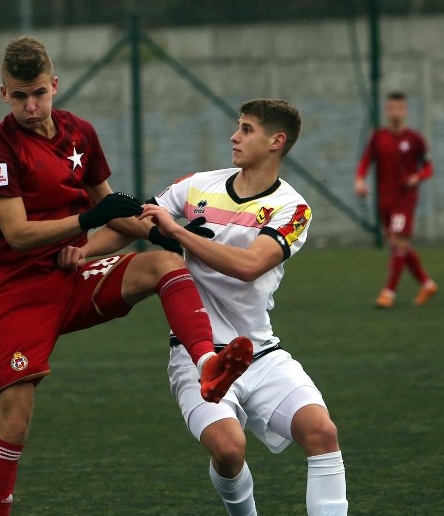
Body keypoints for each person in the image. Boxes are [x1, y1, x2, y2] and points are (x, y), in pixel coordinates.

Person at [0, 35, 254, 515]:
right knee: (12, 426)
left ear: (55, 85)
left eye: (38, 92)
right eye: (19, 95)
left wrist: (169, 234)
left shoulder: (79, 133)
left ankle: (207, 364)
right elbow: (18, 234)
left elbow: (116, 213)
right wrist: (85, 222)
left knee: (164, 265)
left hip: (74, 278)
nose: (30, 104)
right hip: (18, 291)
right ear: (3, 94)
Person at [115, 99, 345, 514]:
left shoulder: (293, 209)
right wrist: (79, 248)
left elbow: (250, 265)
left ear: (276, 142)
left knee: (321, 431)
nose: (234, 137)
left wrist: (178, 235)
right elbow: (135, 222)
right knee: (228, 449)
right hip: (197, 356)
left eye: (246, 129)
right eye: (237, 127)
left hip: (260, 354)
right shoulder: (199, 186)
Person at [354, 90, 437, 308]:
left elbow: (429, 167)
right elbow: (366, 161)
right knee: (398, 245)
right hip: (385, 200)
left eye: (400, 108)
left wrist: (418, 176)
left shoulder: (415, 139)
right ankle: (427, 284)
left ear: (406, 111)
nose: (396, 112)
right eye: (392, 108)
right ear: (386, 110)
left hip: (405, 199)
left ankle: (388, 293)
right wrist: (360, 180)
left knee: (399, 242)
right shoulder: (378, 137)